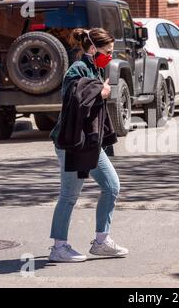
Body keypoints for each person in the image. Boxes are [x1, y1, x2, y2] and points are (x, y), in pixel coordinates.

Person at [48, 27, 128, 263]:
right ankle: (59, 247)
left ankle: (101, 241)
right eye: (107, 51)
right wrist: (100, 92)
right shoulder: (77, 69)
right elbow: (74, 98)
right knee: (69, 195)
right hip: (72, 141)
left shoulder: (94, 67)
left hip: (89, 141)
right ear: (93, 49)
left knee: (111, 186)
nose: (110, 56)